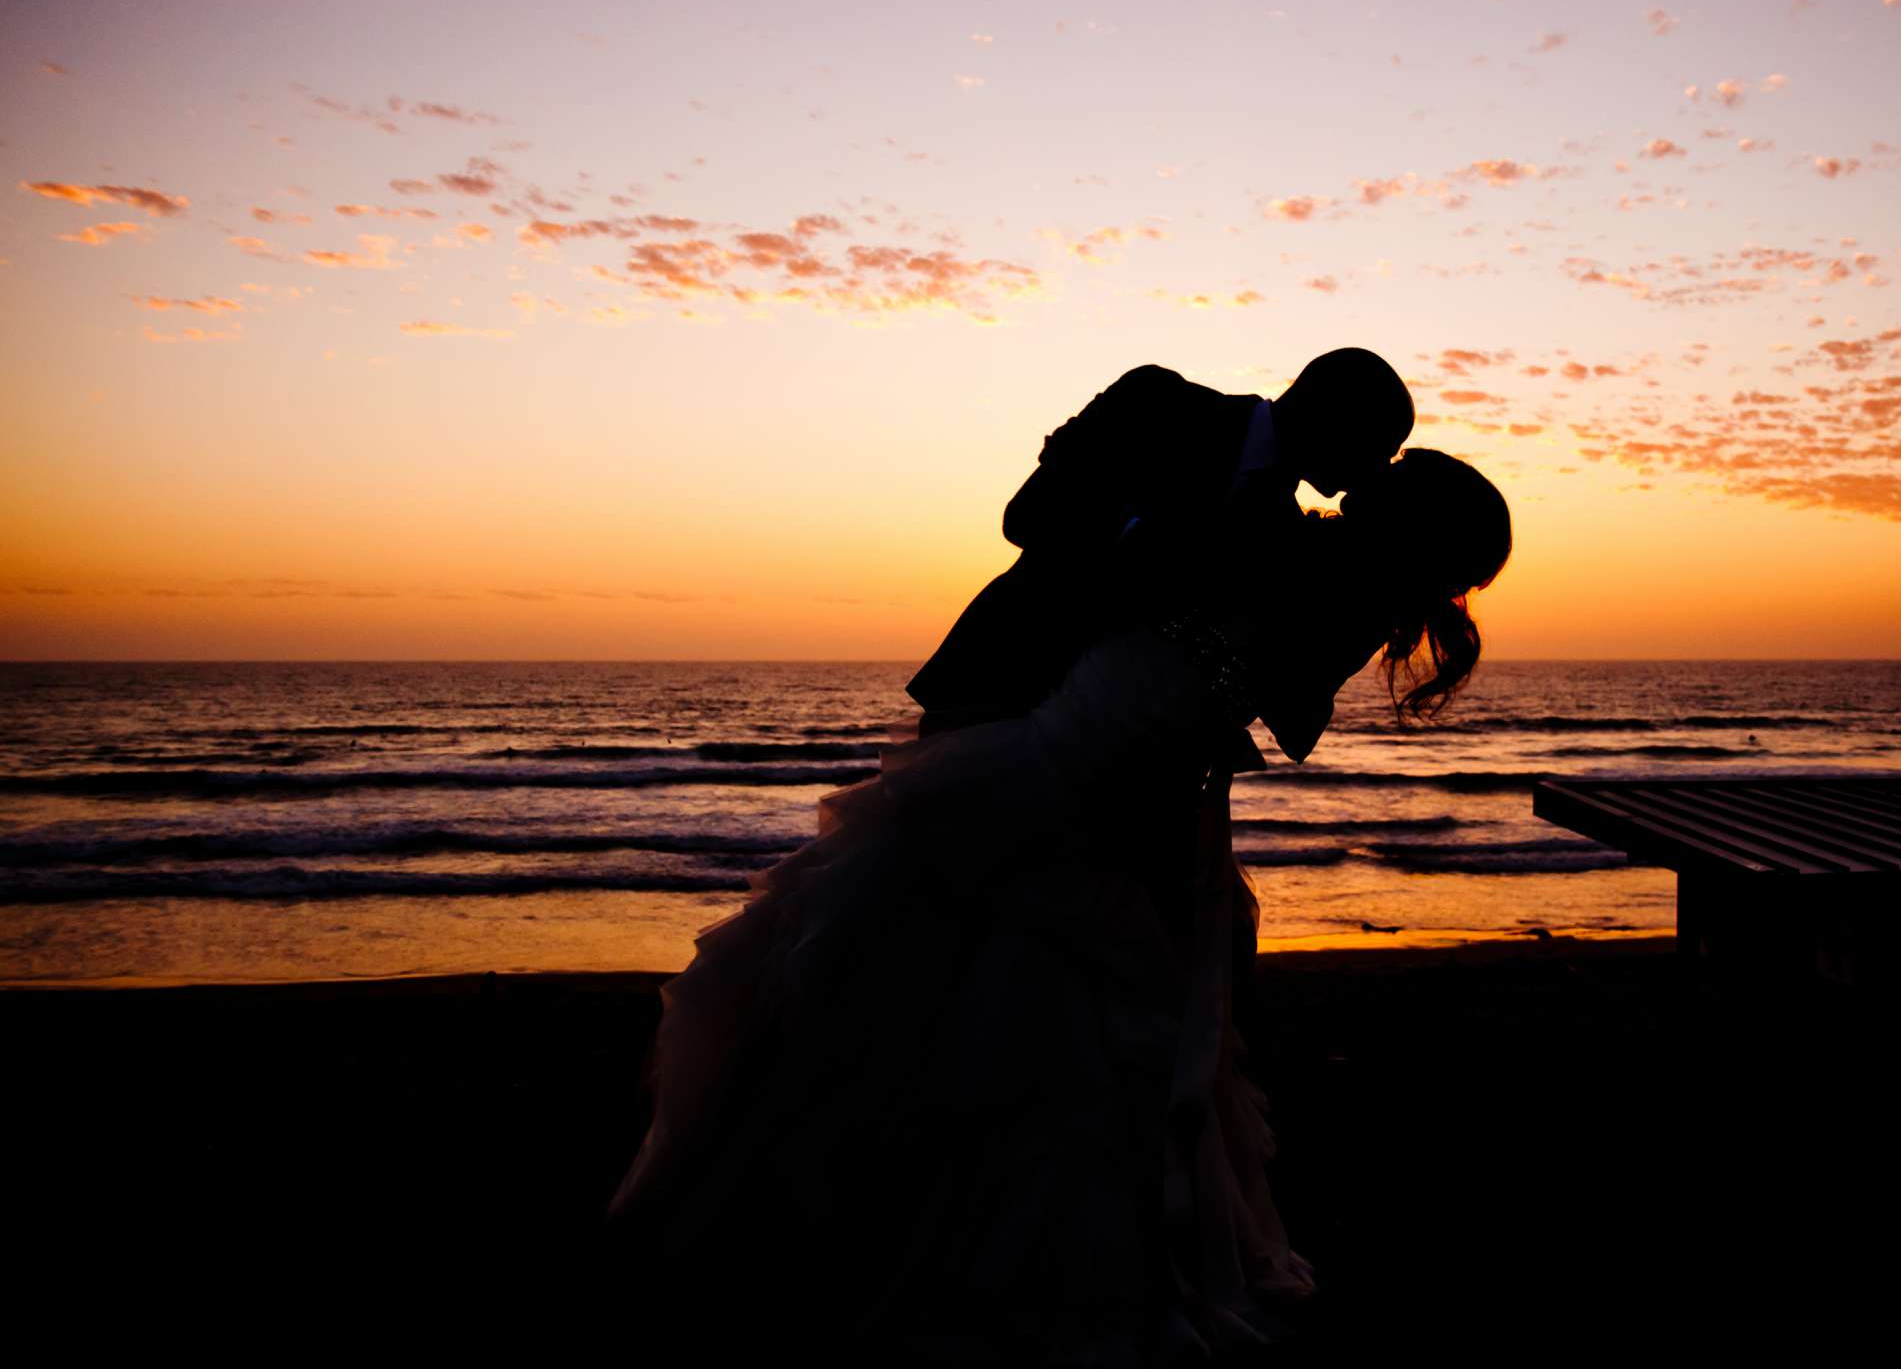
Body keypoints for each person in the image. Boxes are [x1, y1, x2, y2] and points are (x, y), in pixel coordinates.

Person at [604, 447, 1512, 1363]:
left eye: (1401, 468)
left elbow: (1243, 661)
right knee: (974, 951)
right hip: (1099, 727)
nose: (1378, 466)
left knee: (1032, 981)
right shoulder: (1322, 559)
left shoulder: (1325, 570)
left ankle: (976, 1249)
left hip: (1112, 750)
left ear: (1411, 518)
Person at [906, 347, 1416, 764]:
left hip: (1114, 765)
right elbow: (1028, 516)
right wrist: (1139, 544)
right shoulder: (1159, 401)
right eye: (1381, 446)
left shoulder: (1288, 537)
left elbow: (1282, 711)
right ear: (1335, 415)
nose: (1377, 469)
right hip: (994, 697)